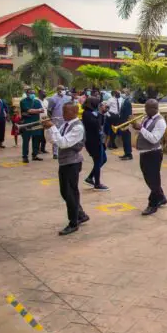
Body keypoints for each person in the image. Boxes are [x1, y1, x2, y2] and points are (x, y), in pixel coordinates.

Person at [42, 102, 90, 235]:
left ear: (74, 112)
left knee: (70, 193)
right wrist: (47, 128)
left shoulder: (78, 127)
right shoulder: (65, 124)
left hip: (72, 163)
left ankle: (73, 222)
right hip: (64, 163)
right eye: (63, 111)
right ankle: (80, 214)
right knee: (65, 192)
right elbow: (54, 141)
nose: (63, 114)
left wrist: (52, 128)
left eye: (66, 112)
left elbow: (63, 143)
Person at [132, 99, 167, 215]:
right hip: (144, 152)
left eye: (147, 108)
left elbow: (154, 138)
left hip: (153, 153)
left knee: (153, 181)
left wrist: (141, 128)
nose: (145, 110)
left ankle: (152, 204)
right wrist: (132, 125)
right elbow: (139, 133)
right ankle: (161, 197)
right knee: (149, 179)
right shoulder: (146, 118)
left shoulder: (160, 122)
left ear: (154, 108)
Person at [82, 97, 109, 191]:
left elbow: (100, 124)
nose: (99, 106)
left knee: (103, 159)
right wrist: (100, 113)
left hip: (98, 140)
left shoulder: (93, 113)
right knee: (98, 161)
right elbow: (96, 125)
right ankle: (97, 184)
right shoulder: (86, 114)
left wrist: (102, 114)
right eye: (98, 104)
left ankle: (90, 177)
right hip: (92, 142)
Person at [47, 85, 73, 160]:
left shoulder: (67, 98)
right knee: (56, 135)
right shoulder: (52, 99)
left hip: (65, 119)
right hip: (56, 120)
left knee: (65, 135)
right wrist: (51, 119)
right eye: (62, 89)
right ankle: (55, 153)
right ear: (58, 90)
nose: (63, 91)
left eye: (64, 89)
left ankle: (64, 151)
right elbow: (49, 110)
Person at [20, 88, 44, 163]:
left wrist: (32, 111)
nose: (32, 94)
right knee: (26, 140)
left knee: (36, 139)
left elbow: (42, 110)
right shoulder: (23, 101)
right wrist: (36, 110)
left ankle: (35, 155)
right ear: (27, 93)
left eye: (33, 93)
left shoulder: (37, 101)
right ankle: (25, 156)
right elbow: (28, 110)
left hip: (36, 123)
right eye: (31, 93)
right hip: (27, 123)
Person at [118, 88, 134, 160]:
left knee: (127, 139)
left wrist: (127, 124)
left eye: (123, 92)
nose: (122, 93)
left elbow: (129, 114)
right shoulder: (124, 101)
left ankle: (129, 154)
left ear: (127, 93)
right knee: (124, 139)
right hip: (122, 123)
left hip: (125, 123)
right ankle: (126, 153)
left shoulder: (127, 102)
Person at [38, 89, 49, 154]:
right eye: (43, 92)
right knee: (39, 135)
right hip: (38, 120)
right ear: (39, 93)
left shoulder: (46, 101)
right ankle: (37, 149)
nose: (45, 93)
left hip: (45, 120)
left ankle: (43, 149)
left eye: (45, 92)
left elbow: (46, 111)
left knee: (44, 135)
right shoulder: (36, 101)